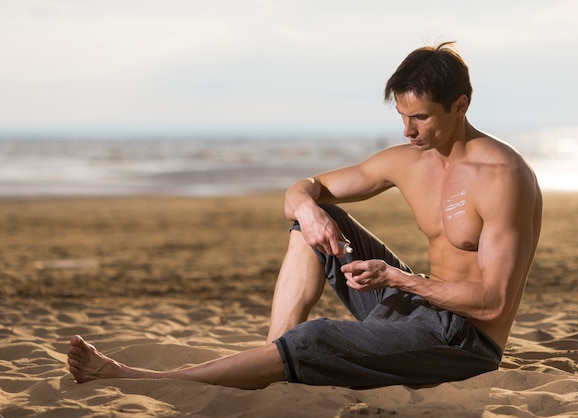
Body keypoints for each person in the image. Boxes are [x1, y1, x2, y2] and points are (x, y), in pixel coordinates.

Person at [67, 42, 542, 389]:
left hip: (461, 340)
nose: (408, 130)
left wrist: (398, 279)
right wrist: (310, 211)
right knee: (316, 220)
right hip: (413, 308)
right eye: (401, 115)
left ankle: (140, 379)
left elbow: (493, 303)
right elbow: (303, 188)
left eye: (421, 118)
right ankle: (273, 351)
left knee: (316, 339)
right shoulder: (409, 160)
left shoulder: (502, 177)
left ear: (460, 106)